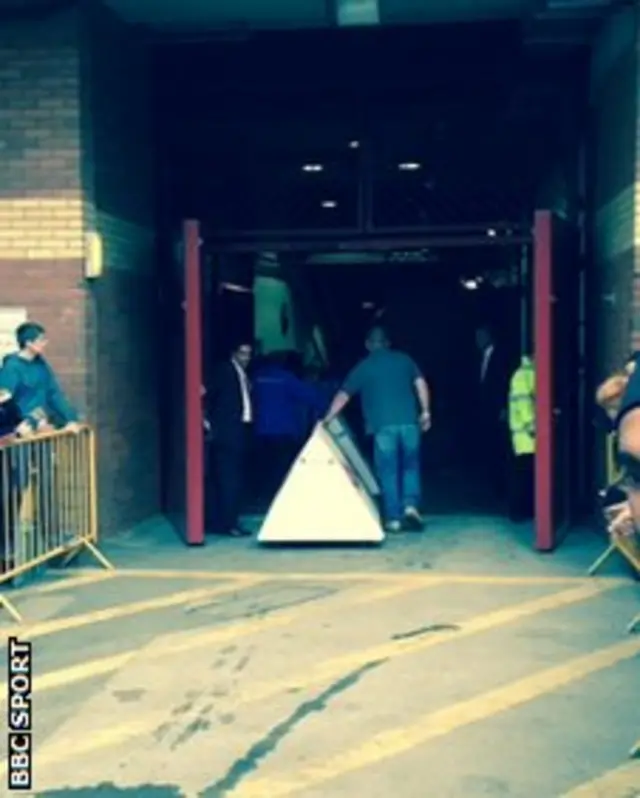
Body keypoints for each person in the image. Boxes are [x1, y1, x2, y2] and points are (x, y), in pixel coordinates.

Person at [324, 326, 431, 533]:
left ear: (368, 345)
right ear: (388, 343)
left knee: (388, 471)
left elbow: (343, 395)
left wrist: (327, 418)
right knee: (410, 466)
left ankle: (394, 519)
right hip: (410, 423)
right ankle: (410, 506)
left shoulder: (364, 366)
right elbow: (421, 383)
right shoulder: (405, 359)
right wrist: (425, 411)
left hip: (383, 427)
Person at [252, 352, 324, 504]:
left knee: (263, 467)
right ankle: (279, 500)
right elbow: (312, 397)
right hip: (283, 430)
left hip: (260, 430)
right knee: (282, 468)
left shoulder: (256, 377)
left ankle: (261, 498)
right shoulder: (286, 378)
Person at [205, 340, 253, 538]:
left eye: (249, 354)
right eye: (242, 353)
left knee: (233, 477)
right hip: (227, 432)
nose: (246, 358)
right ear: (233, 353)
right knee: (228, 479)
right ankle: (228, 523)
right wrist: (207, 422)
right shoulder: (224, 371)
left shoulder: (242, 374)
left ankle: (228, 520)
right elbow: (207, 395)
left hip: (239, 430)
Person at [0, 322, 80, 436]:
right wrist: (17, 425)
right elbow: (4, 400)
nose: (44, 343)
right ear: (28, 343)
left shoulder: (41, 365)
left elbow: (54, 394)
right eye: (40, 340)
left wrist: (70, 419)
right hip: (22, 431)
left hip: (41, 426)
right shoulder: (11, 368)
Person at [475, 324, 511, 497]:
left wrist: (504, 407)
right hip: (487, 409)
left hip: (498, 409)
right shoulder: (479, 356)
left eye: (481, 336)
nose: (478, 340)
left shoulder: (501, 357)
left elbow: (503, 382)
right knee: (489, 445)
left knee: (499, 447)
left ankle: (501, 487)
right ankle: (493, 484)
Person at [507, 353, 535, 522]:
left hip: (527, 434)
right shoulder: (523, 375)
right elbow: (523, 403)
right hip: (526, 435)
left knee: (526, 474)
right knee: (522, 474)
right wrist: (531, 426)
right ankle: (518, 511)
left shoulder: (529, 373)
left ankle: (524, 510)